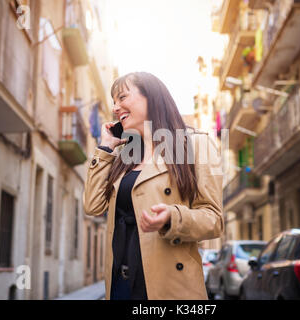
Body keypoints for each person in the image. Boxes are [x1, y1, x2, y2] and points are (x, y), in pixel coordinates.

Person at [83, 71, 223, 300]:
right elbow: (93, 206)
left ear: (151, 97)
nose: (116, 108)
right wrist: (105, 149)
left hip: (169, 287)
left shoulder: (196, 145)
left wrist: (172, 217)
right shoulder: (124, 155)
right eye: (114, 102)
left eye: (123, 98)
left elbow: (213, 220)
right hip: (120, 284)